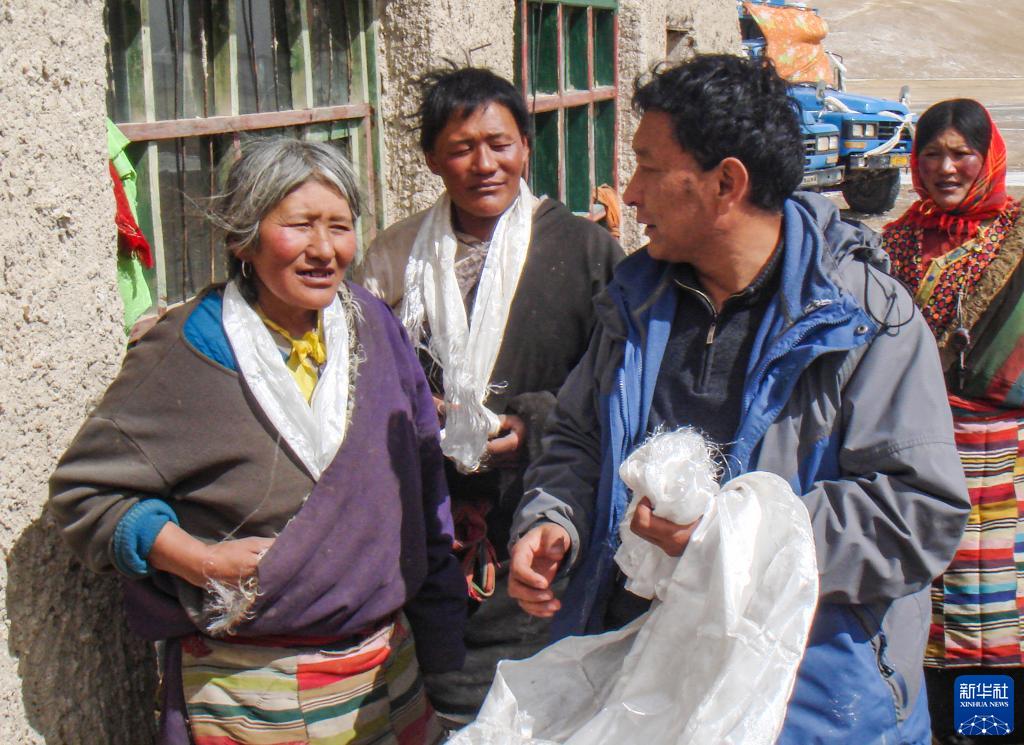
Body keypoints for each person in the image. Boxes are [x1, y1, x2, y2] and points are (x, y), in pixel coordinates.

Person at [508, 54, 970, 744]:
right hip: (644, 689)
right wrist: (556, 519)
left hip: (807, 702)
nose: (628, 194)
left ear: (726, 182)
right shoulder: (636, 303)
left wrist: (732, 538)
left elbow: (919, 513)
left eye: (648, 167)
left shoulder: (866, 320)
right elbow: (578, 437)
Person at [49, 138, 466, 745]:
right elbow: (86, 492)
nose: (324, 250)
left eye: (340, 227)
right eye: (298, 226)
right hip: (246, 691)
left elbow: (426, 481)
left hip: (386, 674)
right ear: (244, 238)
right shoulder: (188, 346)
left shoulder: (373, 325)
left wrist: (443, 637)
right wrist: (202, 560)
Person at [354, 67, 622, 723]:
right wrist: (420, 411)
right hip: (430, 529)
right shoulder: (394, 258)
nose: (484, 164)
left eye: (499, 143)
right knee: (444, 697)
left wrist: (536, 421)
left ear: (526, 147)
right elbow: (358, 377)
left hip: (544, 527)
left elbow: (619, 386)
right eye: (461, 147)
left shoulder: (588, 252)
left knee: (544, 702)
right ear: (430, 159)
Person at [882, 99, 1024, 745]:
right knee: (919, 596)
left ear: (987, 156)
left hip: (1000, 459)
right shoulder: (897, 240)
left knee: (988, 610)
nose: (945, 167)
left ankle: (986, 729)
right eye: (932, 153)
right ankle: (929, 726)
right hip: (911, 450)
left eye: (961, 153)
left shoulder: (1018, 235)